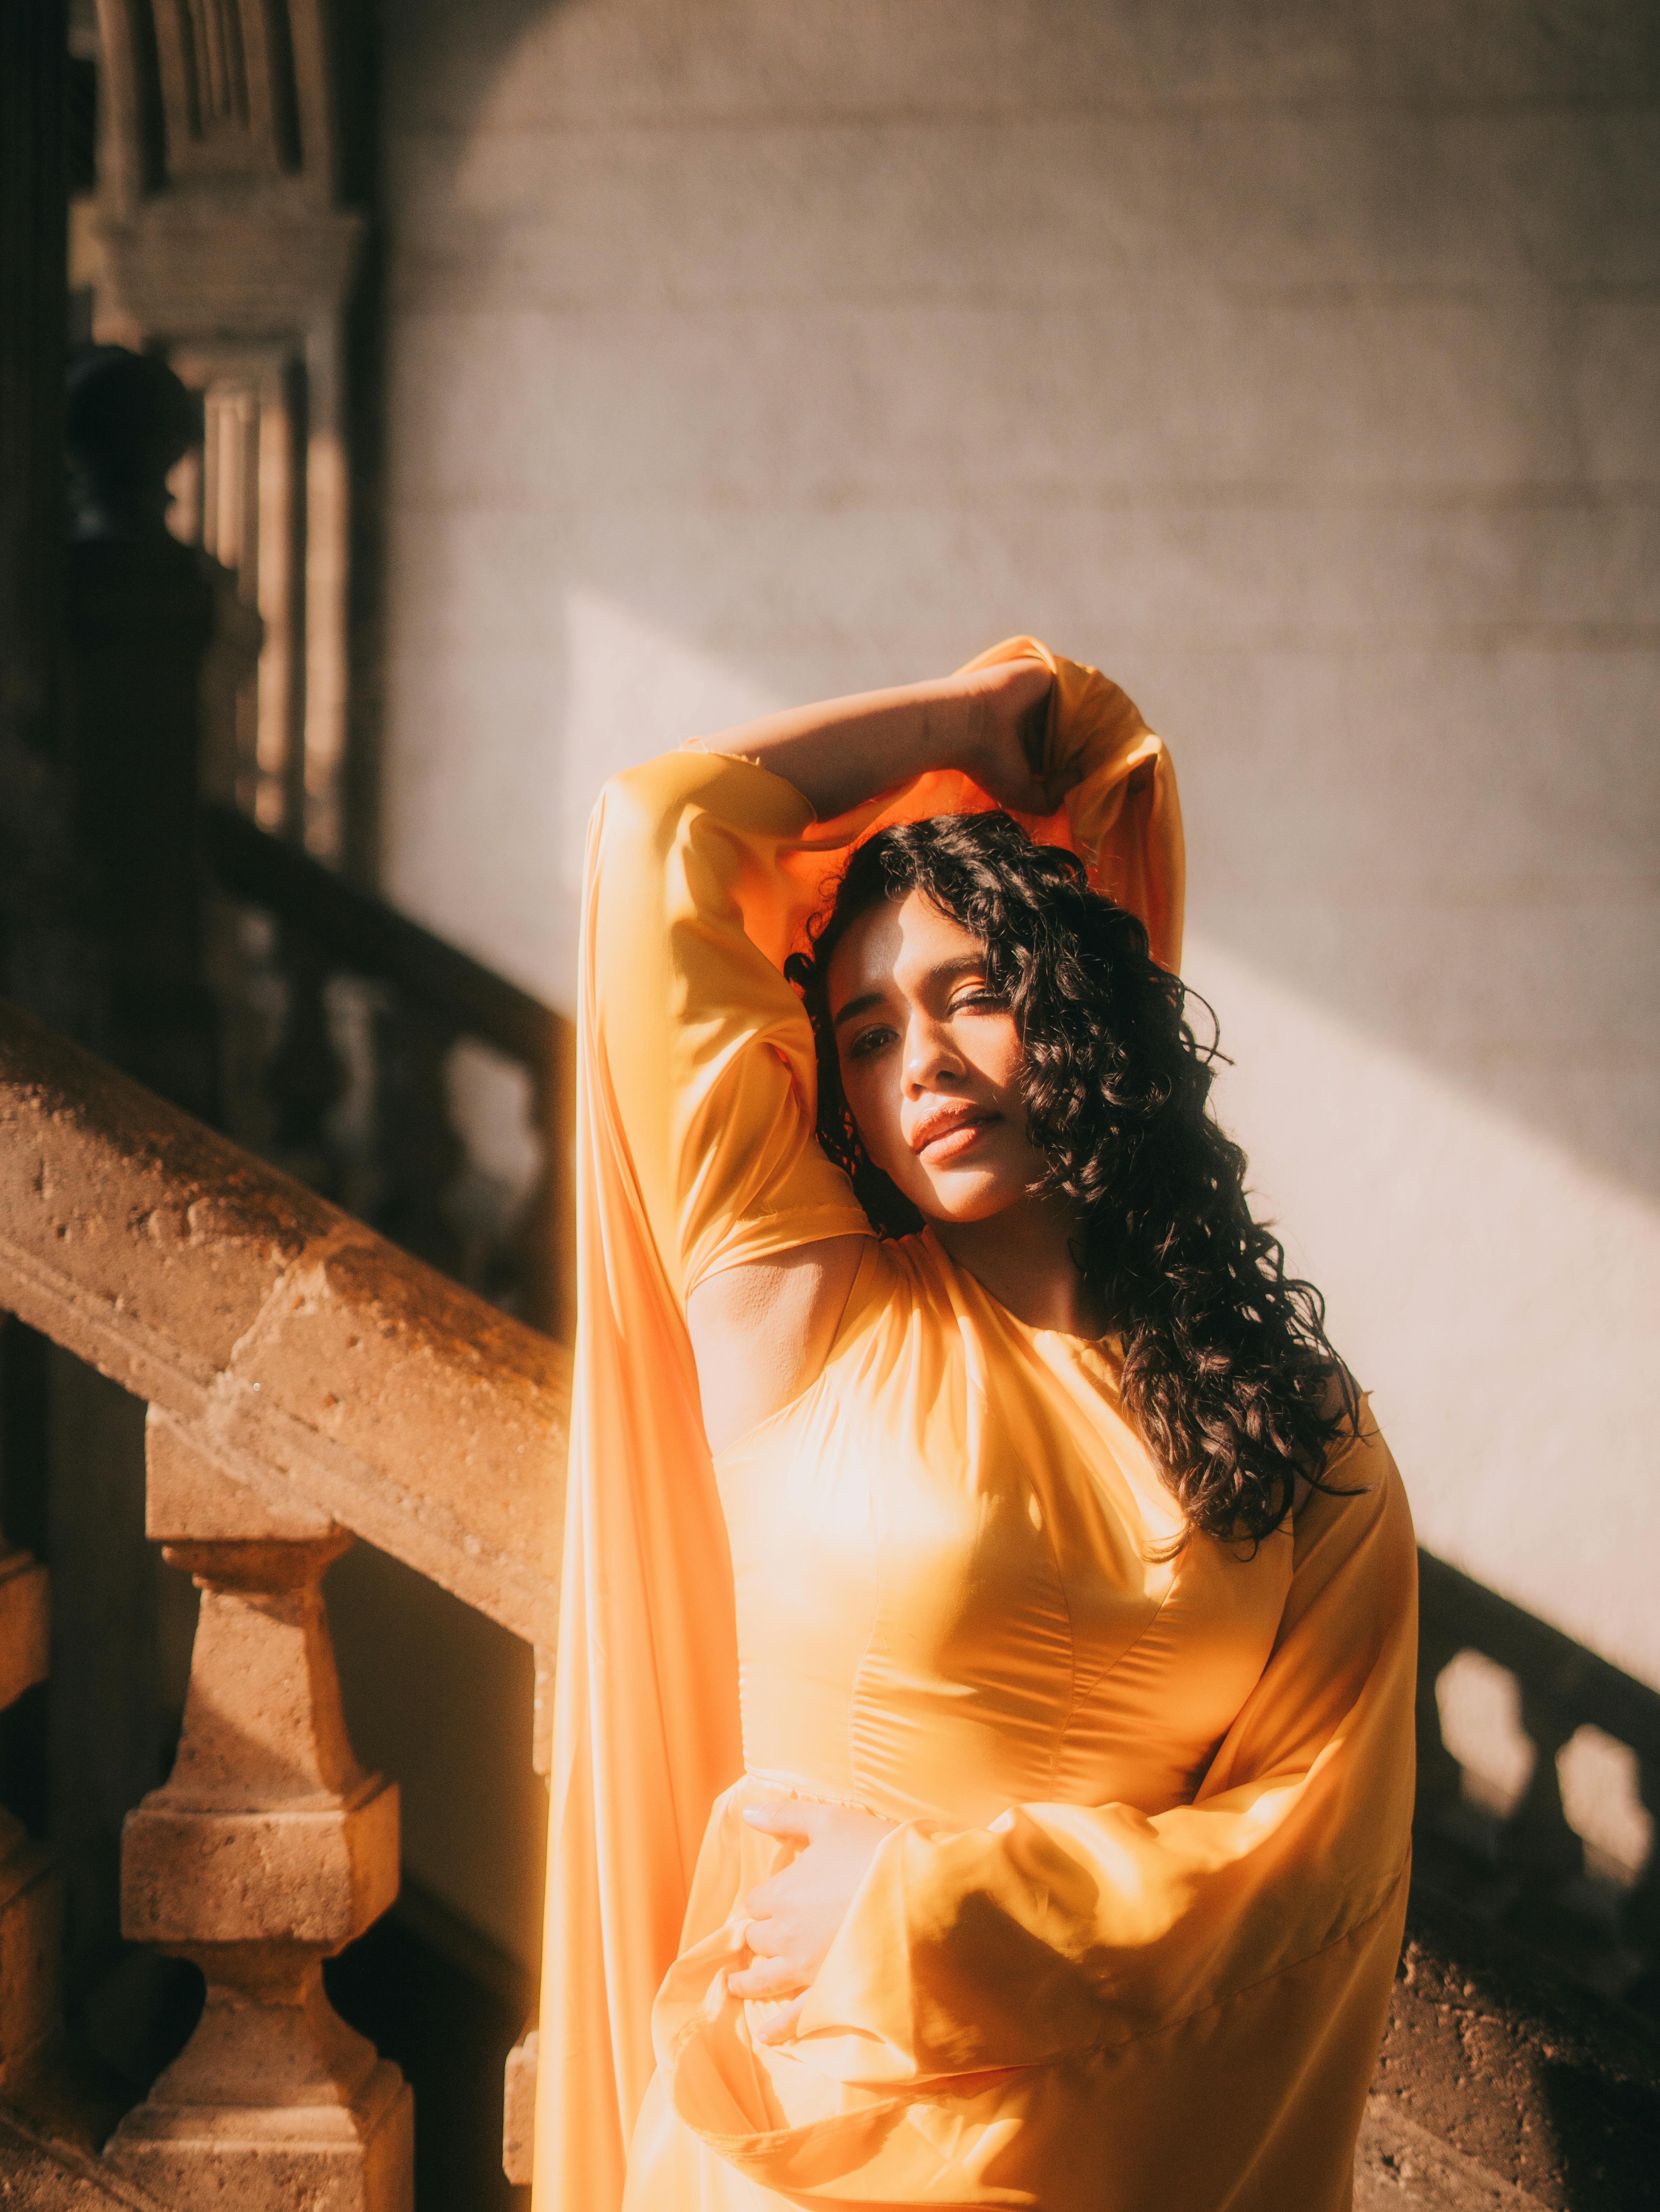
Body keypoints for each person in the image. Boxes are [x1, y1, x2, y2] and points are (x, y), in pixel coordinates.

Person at [532, 637, 1417, 2212]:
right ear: (840, 1097)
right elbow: (656, 828)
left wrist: (922, 1903)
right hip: (809, 2138)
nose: (924, 1062)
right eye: (866, 1033)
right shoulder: (801, 1316)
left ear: (1073, 1013)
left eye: (972, 994)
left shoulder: (1298, 1430)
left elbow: (1313, 1864)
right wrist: (958, 727)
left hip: (1121, 2158)